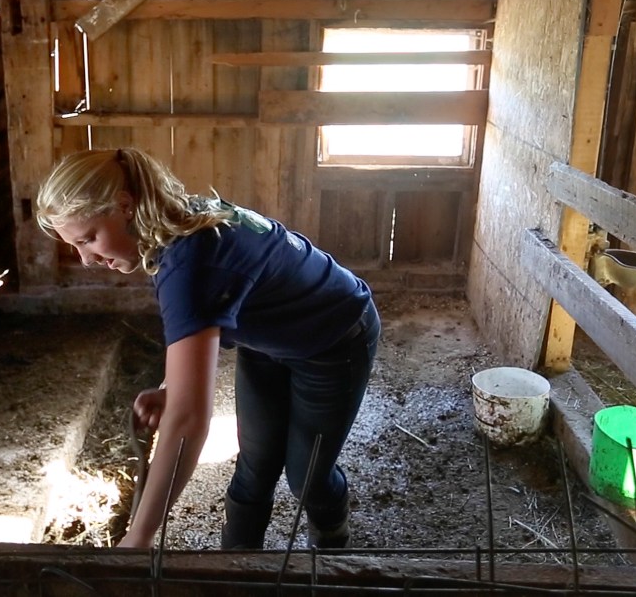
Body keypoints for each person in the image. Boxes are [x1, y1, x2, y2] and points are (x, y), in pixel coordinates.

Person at [35, 147, 380, 549]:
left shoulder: (191, 259)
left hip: (332, 336)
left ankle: (334, 540)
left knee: (306, 477)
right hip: (265, 340)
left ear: (124, 206)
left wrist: (139, 537)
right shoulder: (168, 227)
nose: (87, 258)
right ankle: (233, 570)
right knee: (255, 466)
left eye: (89, 239)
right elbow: (199, 329)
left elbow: (187, 422)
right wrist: (172, 388)